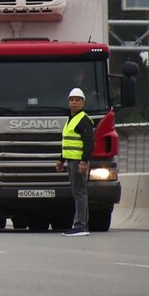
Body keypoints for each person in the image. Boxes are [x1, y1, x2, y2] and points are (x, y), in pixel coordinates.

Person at [56, 88, 95, 237]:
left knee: (79, 193)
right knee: (78, 192)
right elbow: (68, 142)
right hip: (71, 161)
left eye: (77, 100)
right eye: (71, 99)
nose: (73, 102)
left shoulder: (83, 120)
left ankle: (80, 226)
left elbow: (89, 143)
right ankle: (81, 225)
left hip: (78, 162)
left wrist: (84, 161)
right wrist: (61, 160)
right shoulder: (70, 119)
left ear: (83, 102)